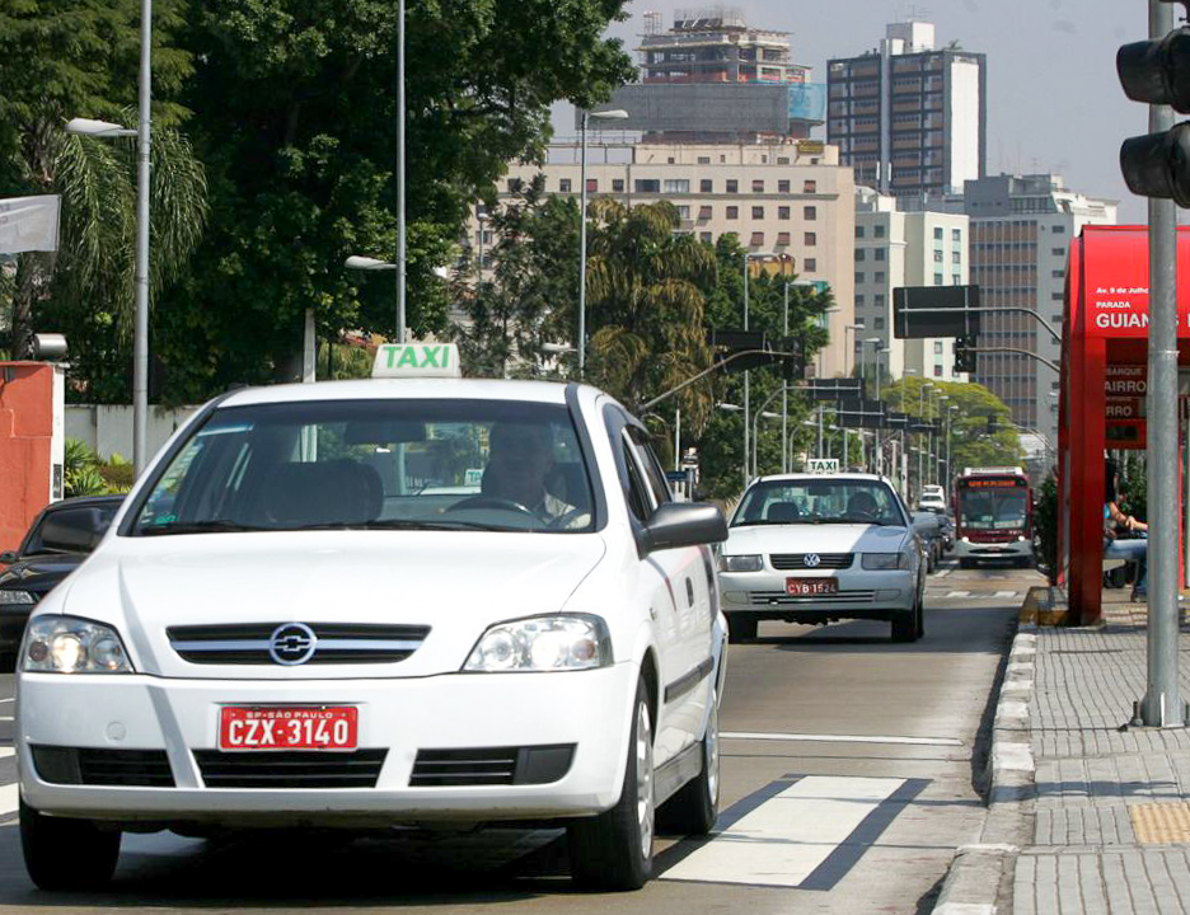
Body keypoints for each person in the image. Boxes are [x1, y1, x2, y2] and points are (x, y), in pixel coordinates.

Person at [481, 422, 581, 525]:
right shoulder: (469, 518)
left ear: (548, 462)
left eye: (529, 446)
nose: (517, 457)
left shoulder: (573, 522)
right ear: (492, 459)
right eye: (507, 446)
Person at [1104, 459, 1148, 601]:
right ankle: (1141, 591)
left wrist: (1137, 523)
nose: (1116, 481)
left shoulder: (1106, 501)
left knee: (1145, 537)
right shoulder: (1104, 500)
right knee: (1151, 546)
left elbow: (1122, 519)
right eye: (1115, 476)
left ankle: (1142, 590)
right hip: (1104, 545)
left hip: (1105, 542)